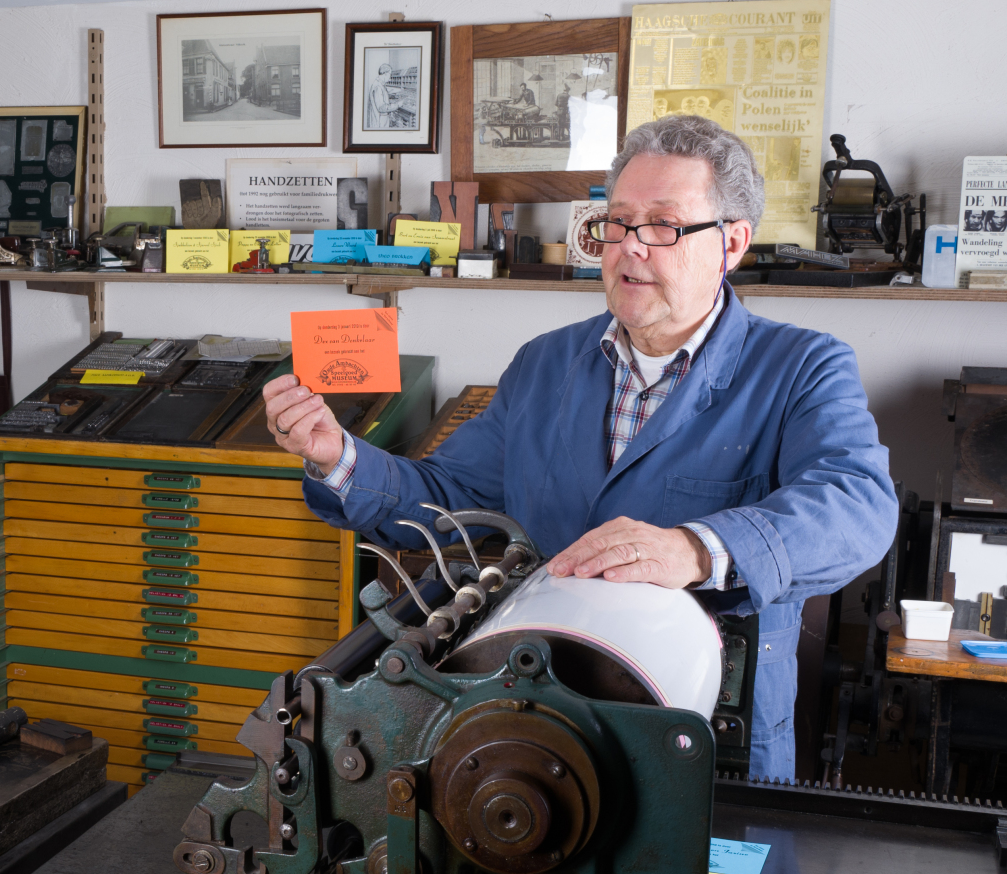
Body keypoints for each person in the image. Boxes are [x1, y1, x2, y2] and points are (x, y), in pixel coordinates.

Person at [263, 114, 895, 780]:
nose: (631, 248)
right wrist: (336, 457)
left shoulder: (802, 367)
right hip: (532, 721)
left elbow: (857, 507)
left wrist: (693, 548)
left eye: (663, 226)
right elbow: (447, 497)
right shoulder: (545, 363)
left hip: (701, 737)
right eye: (617, 224)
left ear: (731, 243)